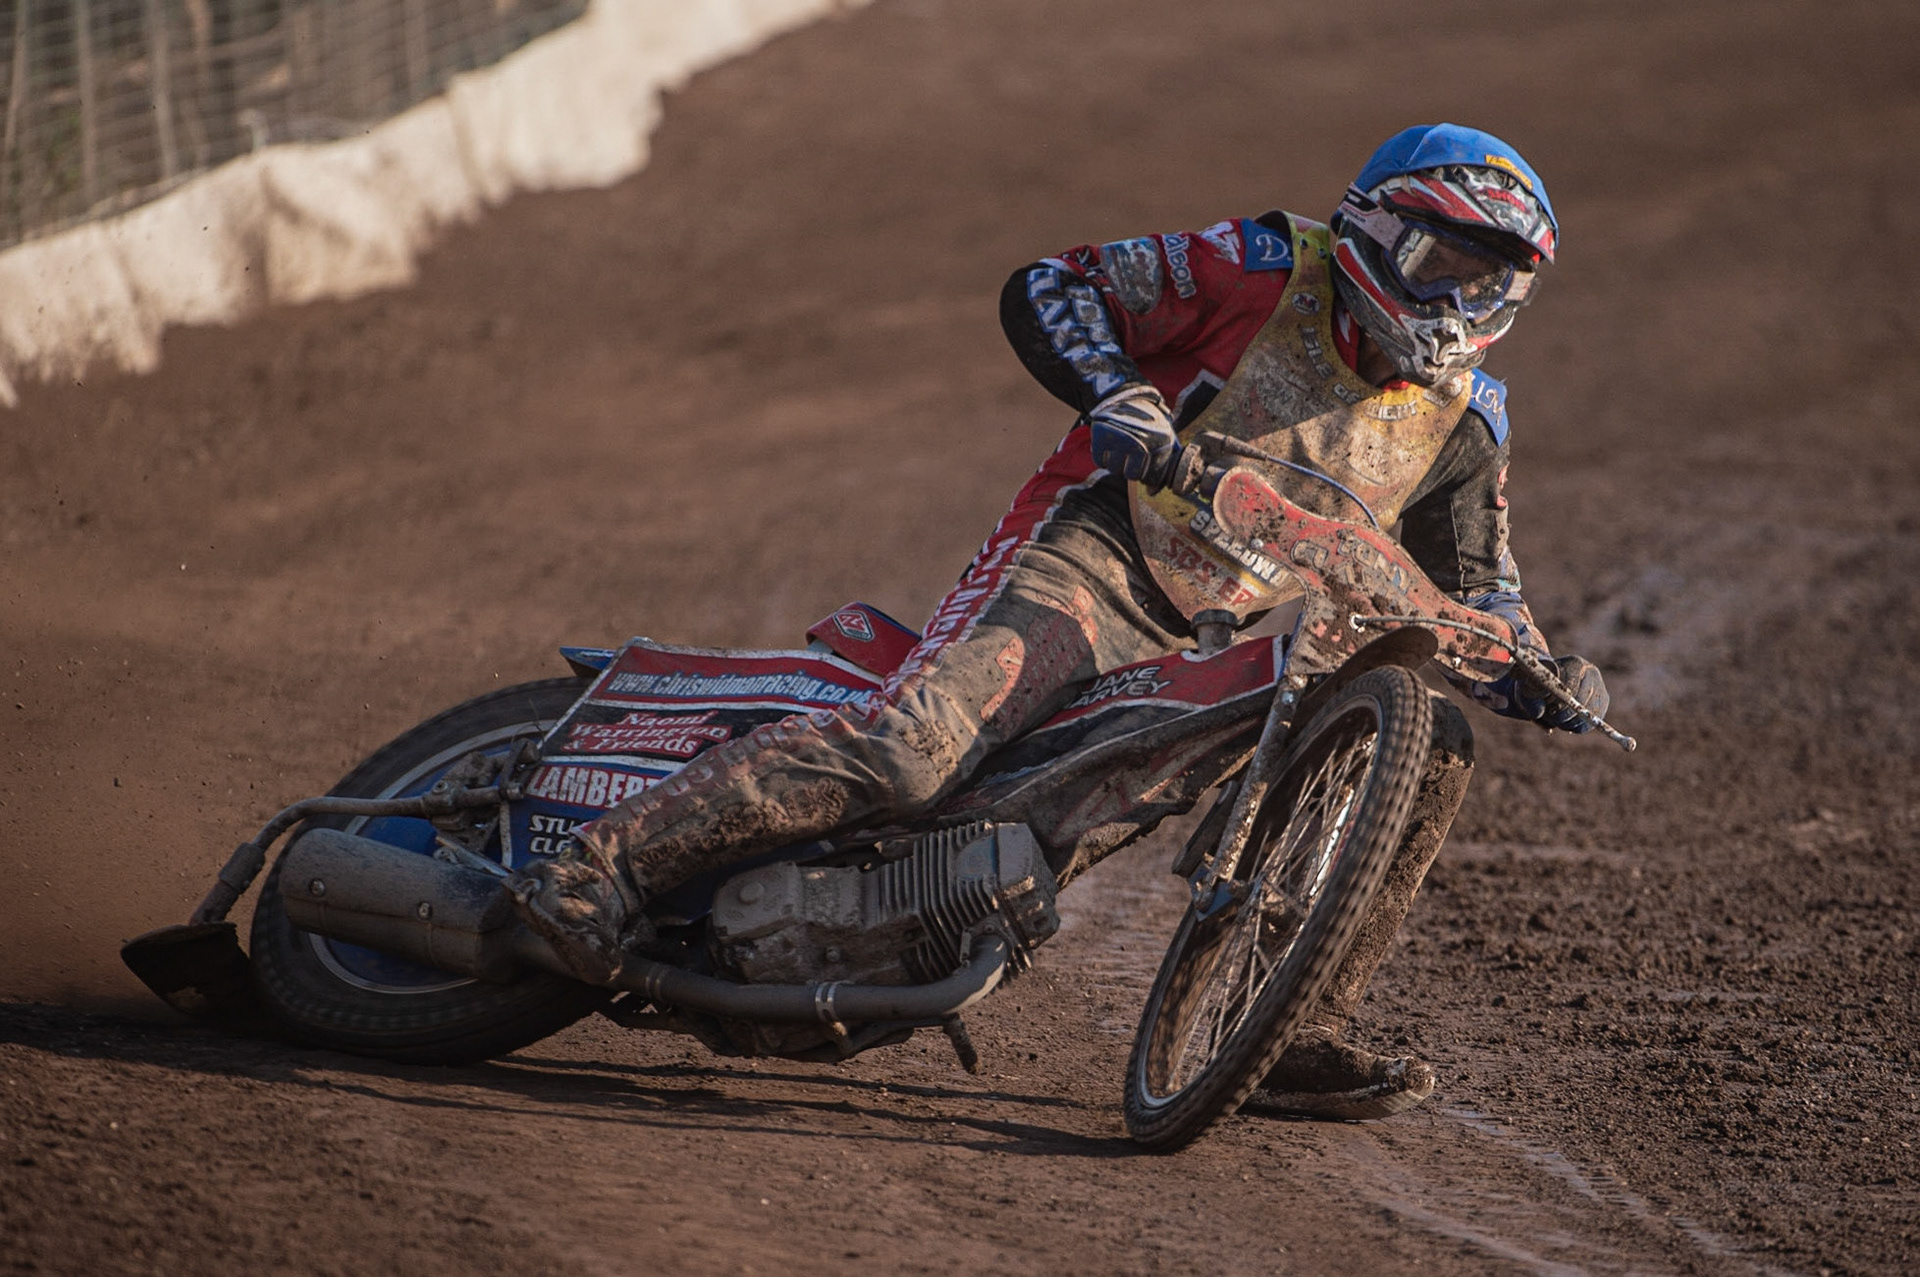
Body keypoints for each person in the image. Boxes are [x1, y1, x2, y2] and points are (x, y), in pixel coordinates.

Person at [511, 123, 1610, 1120]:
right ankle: (597, 870)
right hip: (1102, 551)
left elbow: (1476, 585)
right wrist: (1118, 395)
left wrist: (1541, 666)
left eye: (1492, 285)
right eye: (1442, 266)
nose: (1459, 306)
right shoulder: (1272, 263)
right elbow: (1060, 283)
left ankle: (1292, 1023)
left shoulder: (1472, 418)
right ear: (1376, 230)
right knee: (915, 751)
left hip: (1227, 646)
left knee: (1422, 745)